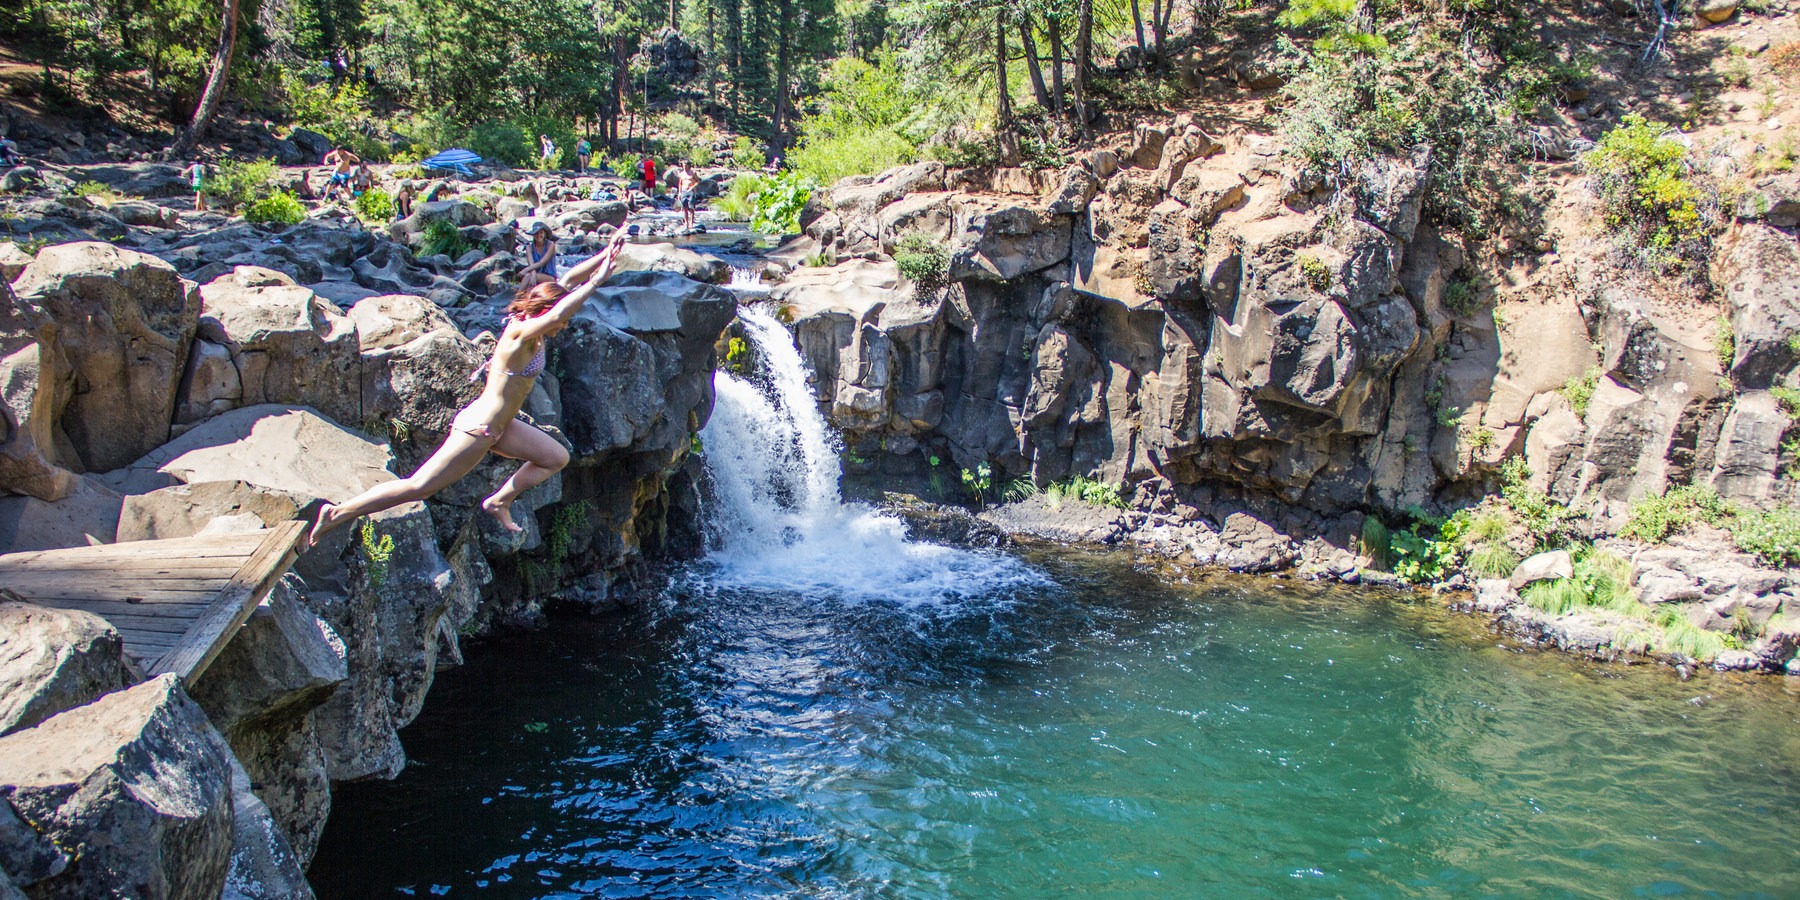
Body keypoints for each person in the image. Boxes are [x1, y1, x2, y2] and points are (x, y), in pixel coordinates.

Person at [304, 231, 632, 547]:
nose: (564, 326)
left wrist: (606, 253)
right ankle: (339, 512)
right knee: (419, 486)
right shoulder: (521, 335)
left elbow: (566, 282)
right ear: (543, 313)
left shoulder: (536, 326)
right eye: (560, 322)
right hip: (481, 427)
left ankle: (499, 501)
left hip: (503, 427)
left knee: (556, 457)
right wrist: (597, 281)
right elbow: (562, 308)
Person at [519, 222, 558, 287]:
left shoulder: (551, 245)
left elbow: (542, 262)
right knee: (529, 276)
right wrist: (533, 276)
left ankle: (518, 296)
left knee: (529, 276)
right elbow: (532, 265)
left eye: (541, 232)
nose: (539, 235)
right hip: (535, 274)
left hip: (550, 277)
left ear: (545, 234)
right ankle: (521, 296)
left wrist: (526, 270)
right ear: (533, 235)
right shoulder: (529, 248)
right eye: (536, 233)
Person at [674, 159, 700, 232]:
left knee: (691, 208)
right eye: (683, 165)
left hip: (691, 191)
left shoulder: (693, 173)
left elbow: (698, 181)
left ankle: (691, 223)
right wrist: (679, 193)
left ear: (689, 165)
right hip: (683, 191)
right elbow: (680, 183)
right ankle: (686, 222)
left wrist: (692, 187)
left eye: (685, 165)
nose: (684, 166)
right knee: (685, 208)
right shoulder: (681, 174)